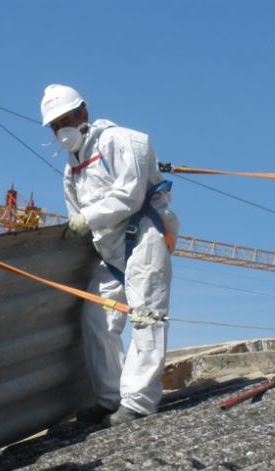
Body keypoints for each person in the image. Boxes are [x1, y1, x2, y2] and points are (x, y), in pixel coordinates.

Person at [40, 84, 179, 426]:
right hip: (111, 252)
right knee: (95, 318)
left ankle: (139, 402)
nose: (62, 129)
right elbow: (80, 217)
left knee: (146, 317)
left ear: (83, 113)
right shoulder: (72, 170)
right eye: (55, 125)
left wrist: (87, 219)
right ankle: (110, 397)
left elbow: (129, 196)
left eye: (67, 119)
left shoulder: (119, 141)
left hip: (143, 237)